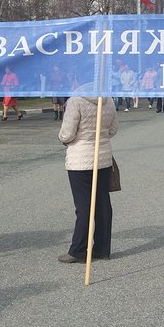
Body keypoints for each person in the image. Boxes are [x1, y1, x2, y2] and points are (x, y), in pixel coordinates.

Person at [57, 95, 118, 263]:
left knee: (84, 206)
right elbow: (113, 129)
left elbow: (67, 134)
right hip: (103, 157)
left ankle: (78, 249)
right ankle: (102, 248)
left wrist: (62, 138)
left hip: (80, 158)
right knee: (102, 204)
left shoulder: (76, 100)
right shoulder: (108, 99)